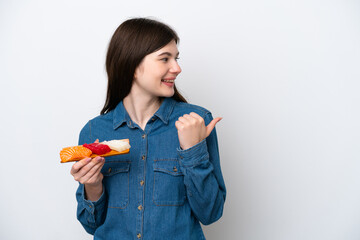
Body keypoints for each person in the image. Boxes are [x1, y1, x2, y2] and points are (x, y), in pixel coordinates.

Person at [70, 17, 226, 240]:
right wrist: (92, 186)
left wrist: (193, 152)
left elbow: (211, 213)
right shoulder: (94, 132)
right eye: (165, 59)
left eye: (176, 58)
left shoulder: (197, 121)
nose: (177, 68)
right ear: (132, 65)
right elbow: (91, 224)